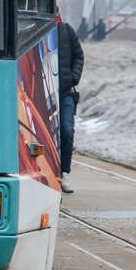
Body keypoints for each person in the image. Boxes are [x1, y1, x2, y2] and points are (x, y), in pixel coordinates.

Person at [57, 12, 85, 194]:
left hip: (66, 93)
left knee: (67, 131)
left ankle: (64, 173)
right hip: (40, 94)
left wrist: (73, 78)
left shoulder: (66, 31)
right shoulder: (32, 31)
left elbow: (79, 56)